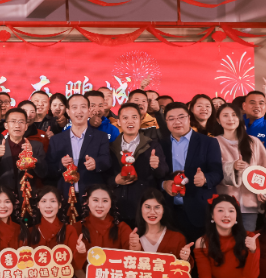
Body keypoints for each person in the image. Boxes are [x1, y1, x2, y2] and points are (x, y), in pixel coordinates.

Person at [159, 103, 223, 239]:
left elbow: (217, 173)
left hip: (199, 209)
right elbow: (155, 176)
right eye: (171, 118)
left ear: (189, 118)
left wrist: (205, 179)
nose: (177, 122)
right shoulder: (160, 144)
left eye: (181, 117)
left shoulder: (208, 142)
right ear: (166, 122)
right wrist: (164, 184)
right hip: (169, 210)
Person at [212, 104, 266, 232]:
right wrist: (231, 167)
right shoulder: (213, 142)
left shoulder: (254, 142)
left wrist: (263, 191)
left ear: (240, 118)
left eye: (234, 115)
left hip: (249, 204)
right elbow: (211, 170)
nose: (230, 119)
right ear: (218, 120)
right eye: (225, 115)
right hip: (224, 203)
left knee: (247, 239)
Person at [108, 102, 166, 230]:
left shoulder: (152, 145)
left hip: (143, 210)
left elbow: (163, 173)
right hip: (117, 209)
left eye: (134, 117)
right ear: (119, 122)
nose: (130, 121)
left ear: (140, 121)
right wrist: (115, 181)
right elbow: (104, 177)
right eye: (125, 118)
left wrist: (156, 166)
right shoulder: (110, 147)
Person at [46, 94, 112, 205]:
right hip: (65, 196)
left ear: (89, 111)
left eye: (83, 107)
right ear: (68, 111)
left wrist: (96, 163)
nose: (79, 111)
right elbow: (49, 169)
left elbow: (107, 161)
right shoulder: (56, 140)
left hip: (91, 198)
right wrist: (61, 164)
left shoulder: (101, 137)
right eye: (74, 107)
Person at [0, 108, 50, 193]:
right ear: (6, 125)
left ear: (26, 126)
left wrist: (33, 155)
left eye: (21, 122)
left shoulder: (36, 146)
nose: (17, 125)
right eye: (13, 121)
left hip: (28, 195)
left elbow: (44, 173)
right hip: (3, 195)